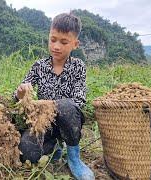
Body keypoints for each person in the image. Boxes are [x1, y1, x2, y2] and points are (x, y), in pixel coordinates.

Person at [13, 13, 95, 180]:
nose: (56, 46)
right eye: (53, 40)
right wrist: (21, 92)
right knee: (27, 153)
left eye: (64, 42)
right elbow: (19, 95)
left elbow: (79, 100)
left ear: (75, 44)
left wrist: (48, 103)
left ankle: (74, 157)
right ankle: (55, 146)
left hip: (69, 121)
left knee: (65, 106)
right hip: (45, 122)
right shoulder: (39, 66)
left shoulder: (78, 66)